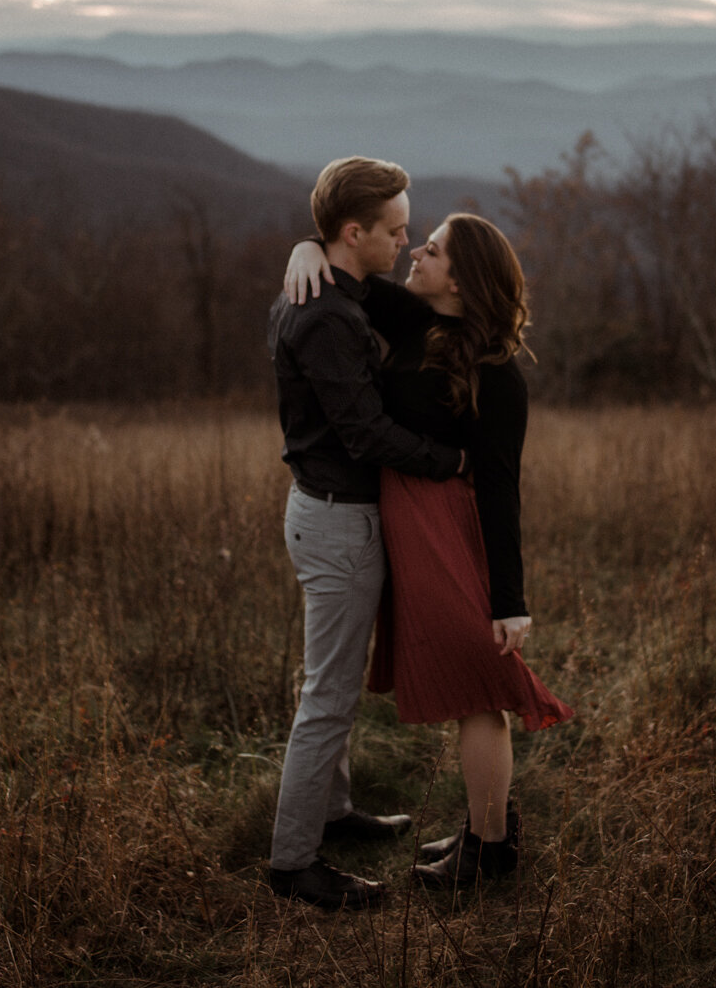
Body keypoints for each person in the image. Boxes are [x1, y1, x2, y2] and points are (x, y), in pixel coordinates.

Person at [285, 211, 572, 890]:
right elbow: (345, 263)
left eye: (434, 249)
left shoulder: (498, 374)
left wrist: (510, 600)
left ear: (463, 281)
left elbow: (502, 490)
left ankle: (489, 850)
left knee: (481, 684)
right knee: (472, 685)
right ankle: (484, 828)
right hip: (410, 527)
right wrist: (303, 248)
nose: (415, 251)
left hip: (448, 532)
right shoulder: (415, 321)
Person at [265, 156, 471, 912]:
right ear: (355, 233)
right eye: (395, 230)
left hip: (328, 512)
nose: (405, 241)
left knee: (331, 682)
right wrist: (446, 460)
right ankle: (294, 865)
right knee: (328, 695)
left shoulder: (329, 285)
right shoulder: (323, 312)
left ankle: (331, 811)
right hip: (337, 519)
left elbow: (389, 298)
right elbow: (362, 430)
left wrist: (306, 244)